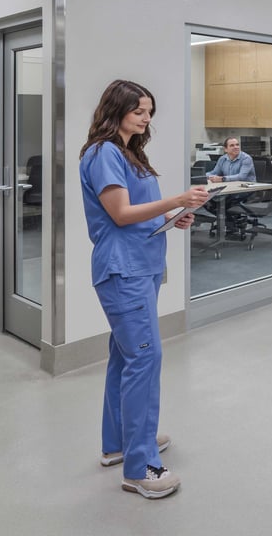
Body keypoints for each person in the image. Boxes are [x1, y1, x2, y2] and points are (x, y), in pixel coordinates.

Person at [79, 79, 210, 500]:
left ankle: (118, 444)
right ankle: (141, 467)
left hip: (143, 266)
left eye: (150, 111)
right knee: (145, 361)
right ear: (115, 109)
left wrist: (175, 217)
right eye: (139, 111)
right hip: (124, 271)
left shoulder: (129, 154)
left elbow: (138, 213)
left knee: (124, 357)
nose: (146, 118)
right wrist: (176, 199)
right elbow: (118, 214)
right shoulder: (103, 153)